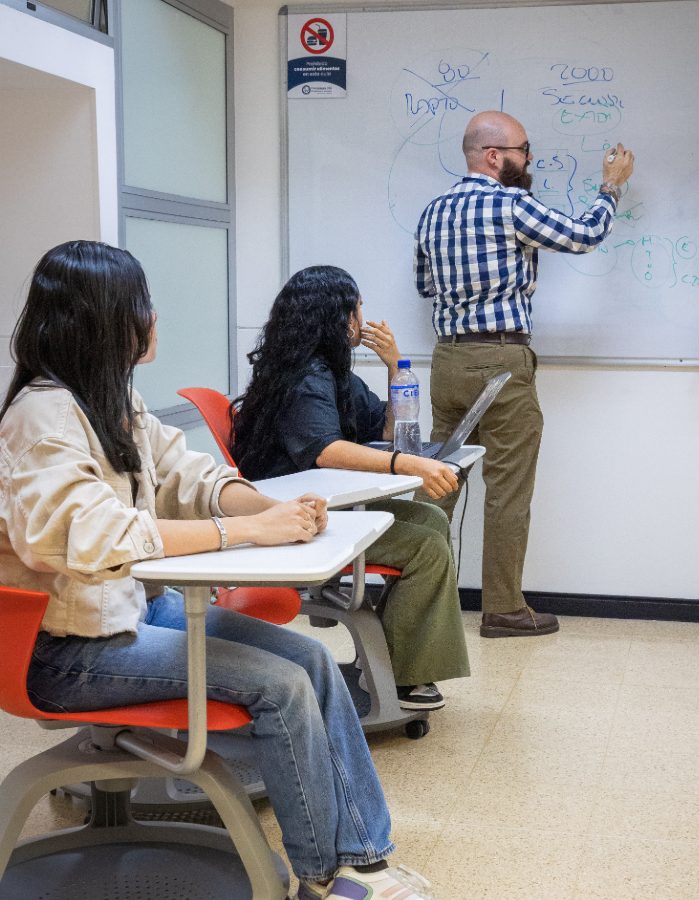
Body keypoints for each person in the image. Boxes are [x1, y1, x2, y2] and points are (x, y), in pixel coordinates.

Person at [0, 241, 435, 900]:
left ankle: (363, 858)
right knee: (281, 686)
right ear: (103, 319)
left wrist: (273, 509)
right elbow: (94, 538)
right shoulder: (43, 416)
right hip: (68, 651)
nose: (153, 317)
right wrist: (247, 531)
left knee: (312, 660)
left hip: (130, 613)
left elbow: (190, 477)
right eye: (141, 304)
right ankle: (323, 876)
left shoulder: (110, 399)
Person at [414, 110, 635, 638]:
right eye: (523, 150)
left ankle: (412, 600)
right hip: (501, 363)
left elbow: (425, 285)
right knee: (507, 489)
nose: (529, 158)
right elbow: (584, 235)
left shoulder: (432, 211)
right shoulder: (511, 204)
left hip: (448, 361)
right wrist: (611, 186)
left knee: (439, 481)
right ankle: (504, 609)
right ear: (494, 156)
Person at [232, 265, 470, 711]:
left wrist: (396, 366)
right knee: (425, 547)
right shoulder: (305, 376)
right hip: (295, 516)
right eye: (357, 307)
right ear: (338, 316)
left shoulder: (330, 372)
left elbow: (387, 427)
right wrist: (407, 463)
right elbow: (326, 450)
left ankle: (393, 658)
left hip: (327, 505)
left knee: (431, 518)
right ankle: (404, 678)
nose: (363, 317)